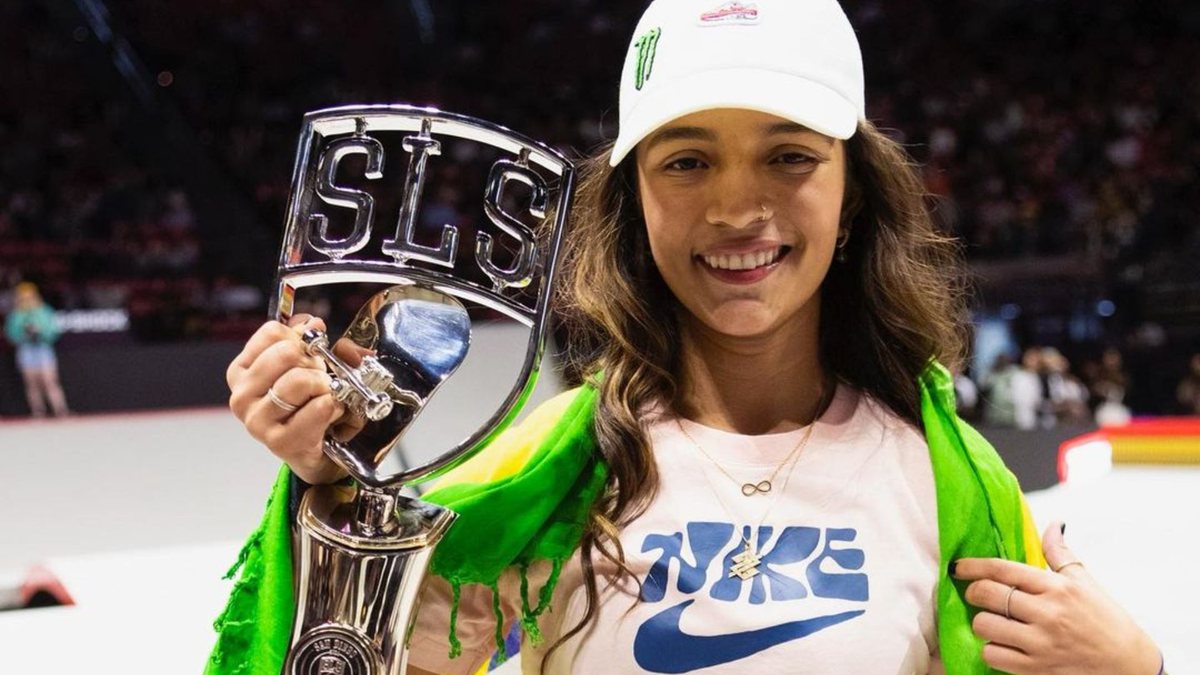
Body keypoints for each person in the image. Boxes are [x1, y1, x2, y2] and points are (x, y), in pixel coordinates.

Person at [210, 1, 1164, 673]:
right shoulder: (551, 479)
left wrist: (1136, 669)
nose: (738, 207)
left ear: (854, 191)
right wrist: (329, 479)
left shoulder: (954, 485)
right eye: (687, 161)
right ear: (633, 200)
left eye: (789, 155)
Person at [4, 282, 69, 417]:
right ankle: (38, 412)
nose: (27, 299)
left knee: (50, 381)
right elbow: (11, 334)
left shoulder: (44, 311)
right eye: (23, 297)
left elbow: (53, 331)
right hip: (26, 350)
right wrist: (24, 334)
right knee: (32, 384)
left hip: (43, 348)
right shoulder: (16, 315)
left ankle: (61, 411)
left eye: (30, 296)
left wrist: (41, 331)